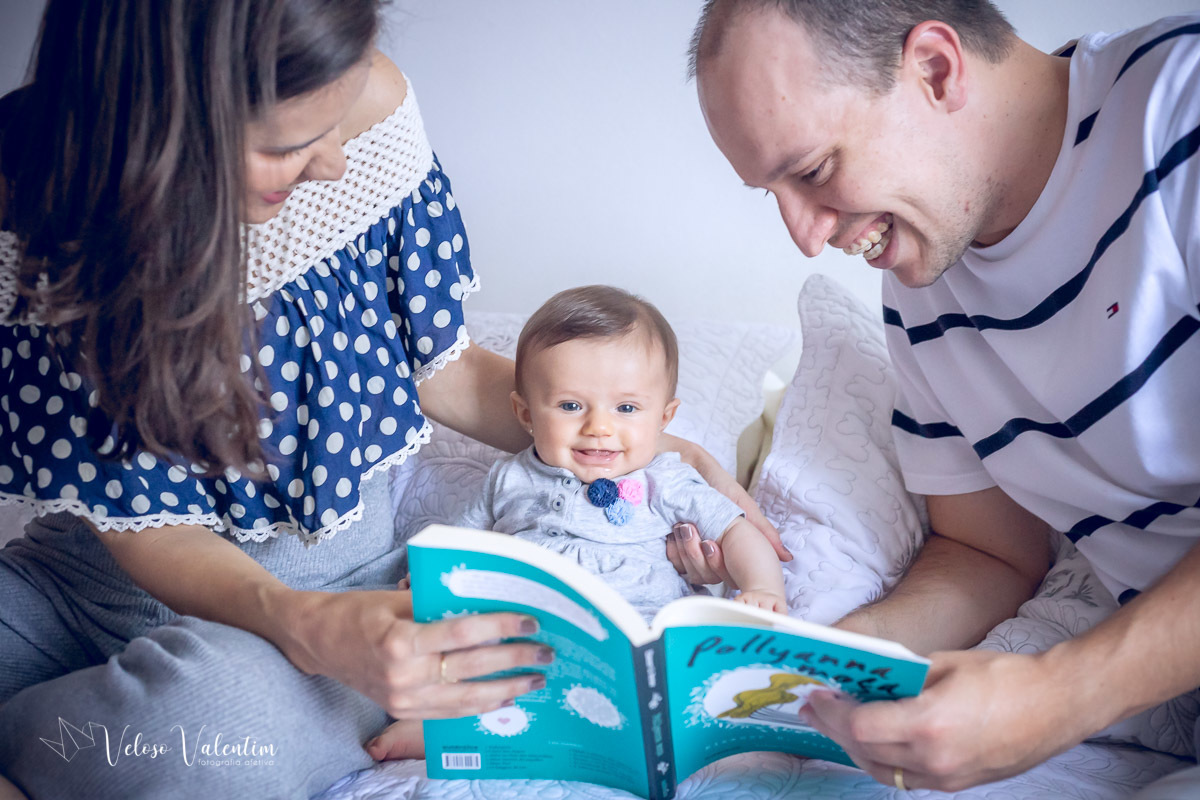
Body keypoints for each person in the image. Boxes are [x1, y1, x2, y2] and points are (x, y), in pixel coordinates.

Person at [0, 2, 784, 798]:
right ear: (158, 126)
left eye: (335, 122)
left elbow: (437, 368)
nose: (335, 162)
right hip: (82, 574)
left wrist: (638, 443)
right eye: (291, 144)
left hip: (325, 598)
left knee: (193, 742)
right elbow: (139, 518)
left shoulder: (368, 112)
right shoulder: (23, 190)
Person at [686, 0, 1200, 794]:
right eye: (772, 193)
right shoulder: (923, 288)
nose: (806, 236)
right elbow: (989, 552)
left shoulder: (1181, 109)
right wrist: (818, 666)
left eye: (815, 170)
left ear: (935, 69)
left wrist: (1063, 694)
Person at [368, 285, 789, 760]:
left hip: (638, 637)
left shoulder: (666, 479)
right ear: (525, 414)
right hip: (531, 631)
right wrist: (426, 581)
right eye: (571, 406)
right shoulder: (510, 477)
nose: (599, 427)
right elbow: (459, 544)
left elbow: (735, 530)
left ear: (665, 416)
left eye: (626, 408)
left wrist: (763, 590)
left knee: (686, 684)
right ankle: (439, 725)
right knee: (468, 657)